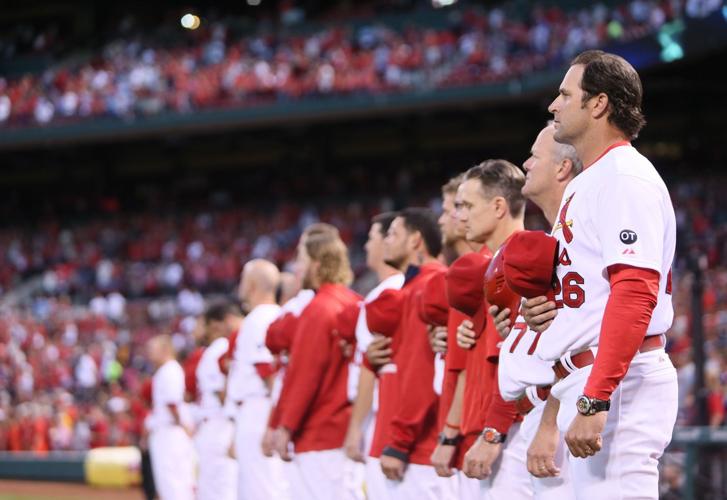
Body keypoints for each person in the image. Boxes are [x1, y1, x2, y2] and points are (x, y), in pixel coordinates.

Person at [521, 50, 677, 500]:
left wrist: (597, 396)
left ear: (598, 104)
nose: (554, 104)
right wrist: (552, 310)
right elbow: (597, 291)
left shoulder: (624, 176)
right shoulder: (594, 178)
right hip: (590, 378)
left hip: (617, 383)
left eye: (565, 94)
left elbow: (634, 293)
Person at [491, 121, 582, 499]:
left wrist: (549, 422)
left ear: (562, 169)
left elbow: (583, 339)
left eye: (534, 156)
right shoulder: (552, 238)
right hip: (539, 412)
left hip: (564, 413)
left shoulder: (580, 233)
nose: (526, 164)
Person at [448, 160, 532, 499]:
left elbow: (524, 365)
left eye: (467, 206)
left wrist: (493, 433)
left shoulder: (524, 259)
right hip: (499, 427)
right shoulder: (494, 261)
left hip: (516, 429)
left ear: (499, 206)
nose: (460, 216)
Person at [368, 208, 456, 498]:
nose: (386, 242)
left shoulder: (429, 284)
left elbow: (423, 372)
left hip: (419, 450)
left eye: (393, 234)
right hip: (414, 445)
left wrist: (399, 442)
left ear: (416, 240)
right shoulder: (414, 286)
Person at [272, 226, 361, 500]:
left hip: (319, 432)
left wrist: (285, 426)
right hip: (348, 426)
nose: (297, 267)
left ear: (317, 263)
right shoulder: (354, 300)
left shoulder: (318, 308)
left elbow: (304, 376)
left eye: (301, 259)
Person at [342, 212, 404, 500]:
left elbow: (373, 364)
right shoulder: (397, 288)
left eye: (372, 237)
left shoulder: (387, 293)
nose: (367, 246)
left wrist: (355, 429)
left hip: (384, 414)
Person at [232, 259, 288, 500]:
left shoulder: (260, 318)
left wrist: (273, 423)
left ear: (252, 284)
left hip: (260, 410)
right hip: (264, 408)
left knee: (261, 489)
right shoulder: (276, 314)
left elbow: (270, 374)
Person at [195, 302, 238, 500]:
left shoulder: (219, 348)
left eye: (201, 324)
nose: (198, 329)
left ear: (214, 325)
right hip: (218, 423)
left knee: (218, 488)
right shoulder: (217, 349)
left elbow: (225, 394)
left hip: (218, 423)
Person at [145, 334, 195, 500]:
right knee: (172, 482)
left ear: (165, 350)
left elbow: (173, 404)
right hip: (168, 430)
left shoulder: (170, 370)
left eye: (153, 349)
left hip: (170, 432)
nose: (149, 354)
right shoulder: (167, 370)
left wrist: (184, 425)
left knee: (173, 482)